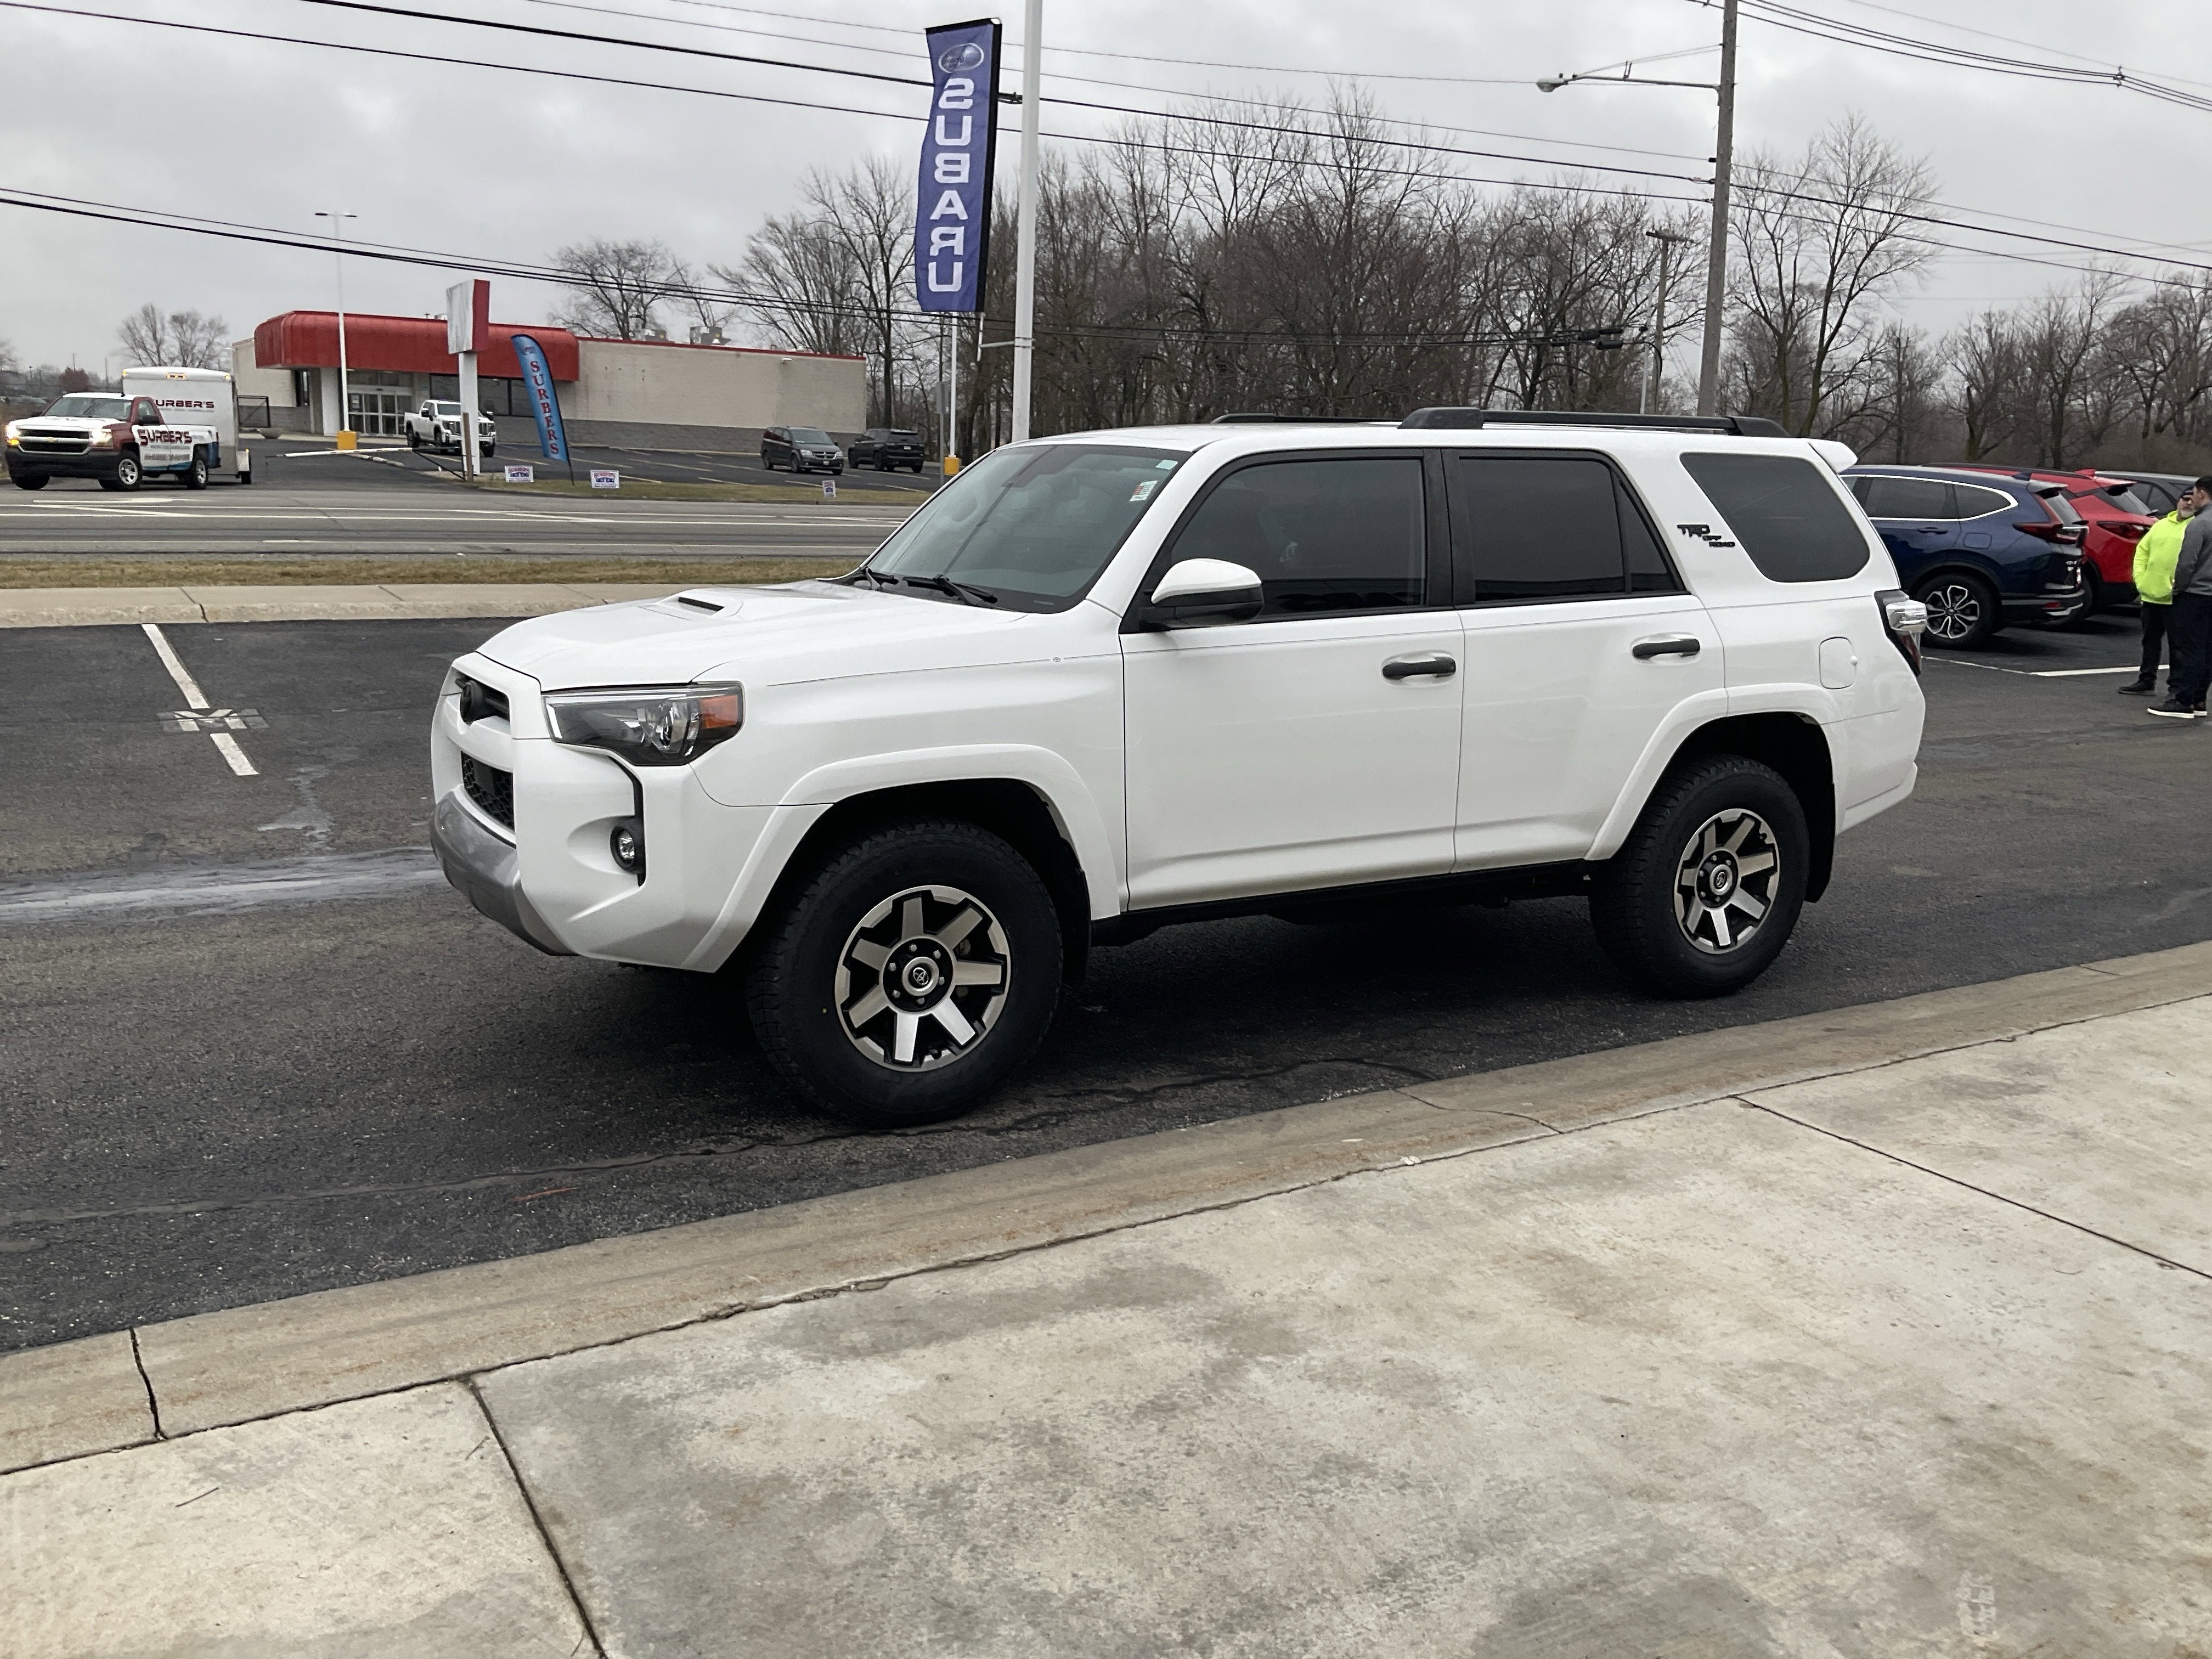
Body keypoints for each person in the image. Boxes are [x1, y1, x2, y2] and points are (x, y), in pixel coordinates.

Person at [2119, 482, 2199, 697]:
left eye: (2193, 500)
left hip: (2177, 598)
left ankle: (2176, 687)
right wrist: (2141, 580)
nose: (2188, 503)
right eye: (2185, 498)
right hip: (2151, 595)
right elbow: (2142, 552)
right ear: (2178, 500)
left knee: (2178, 646)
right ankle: (2146, 680)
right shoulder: (2161, 525)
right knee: (2150, 641)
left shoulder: (2197, 527)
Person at [2148, 475, 2212, 720]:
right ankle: (2199, 699)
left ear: (2202, 493)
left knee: (2190, 650)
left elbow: (2187, 563)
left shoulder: (2199, 525)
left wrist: (2178, 588)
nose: (2193, 497)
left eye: (2195, 493)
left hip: (2195, 595)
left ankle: (2182, 701)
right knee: (2208, 650)